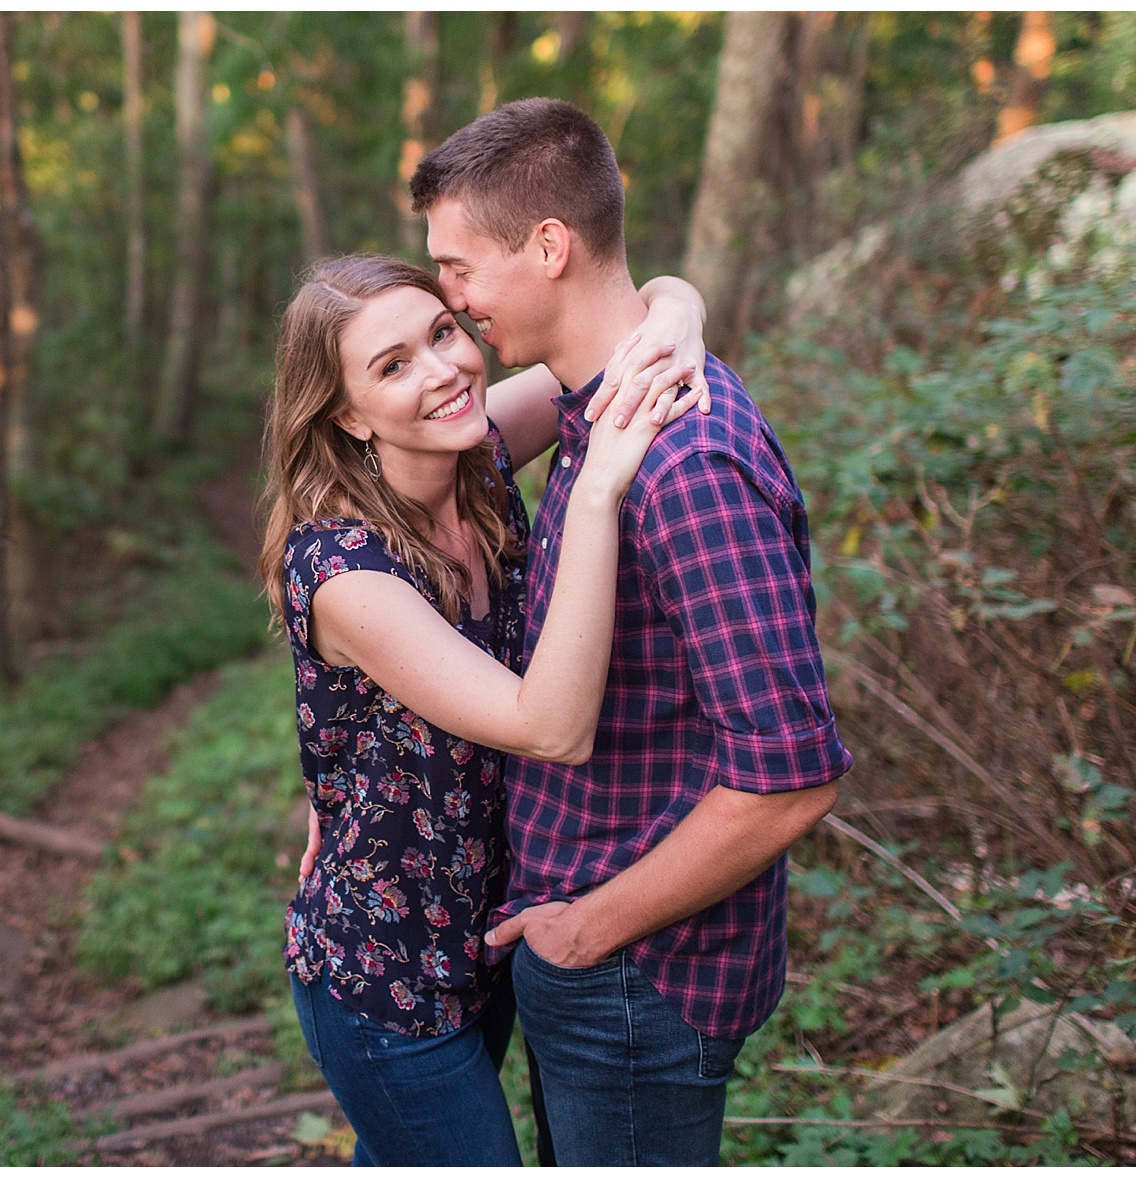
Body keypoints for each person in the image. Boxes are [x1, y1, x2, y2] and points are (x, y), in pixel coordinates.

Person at [411, 98, 853, 1166]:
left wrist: (589, 929)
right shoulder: (599, 408)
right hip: (593, 955)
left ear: (550, 246)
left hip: (637, 972)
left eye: (459, 267)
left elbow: (791, 773)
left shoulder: (688, 462)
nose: (452, 299)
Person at [259, 252, 709, 1166]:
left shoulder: (476, 452)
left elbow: (639, 307)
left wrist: (683, 321)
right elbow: (551, 726)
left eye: (441, 333)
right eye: (392, 366)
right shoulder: (344, 573)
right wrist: (595, 493)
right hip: (385, 977)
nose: (442, 371)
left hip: (492, 931)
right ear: (345, 415)